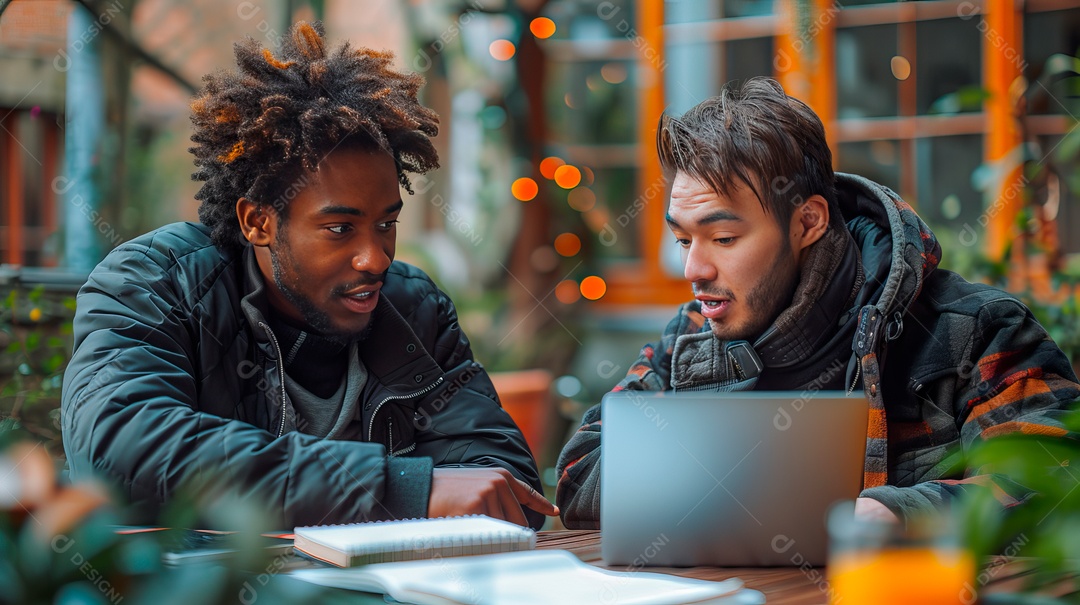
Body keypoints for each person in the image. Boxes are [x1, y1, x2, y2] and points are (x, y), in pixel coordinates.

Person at [61, 22, 556, 530]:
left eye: (387, 224)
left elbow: (503, 482)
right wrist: (399, 488)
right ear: (259, 222)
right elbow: (121, 450)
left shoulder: (416, 310)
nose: (377, 258)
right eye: (340, 228)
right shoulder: (153, 286)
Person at [555, 77, 1080, 529]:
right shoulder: (692, 337)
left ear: (808, 222)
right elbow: (579, 476)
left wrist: (901, 516)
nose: (694, 269)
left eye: (724, 239)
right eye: (683, 240)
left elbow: (1056, 476)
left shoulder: (976, 329)